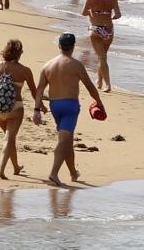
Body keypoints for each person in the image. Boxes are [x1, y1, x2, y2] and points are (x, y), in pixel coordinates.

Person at [34, 32, 106, 187]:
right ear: (73, 47)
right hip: (70, 106)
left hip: (55, 106)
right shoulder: (76, 65)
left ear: (59, 46)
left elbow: (39, 89)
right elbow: (90, 86)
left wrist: (37, 109)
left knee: (67, 139)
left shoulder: (48, 65)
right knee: (64, 141)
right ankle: (53, 174)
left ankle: (73, 172)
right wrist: (98, 101)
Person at [0, 39, 39, 180]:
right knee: (9, 138)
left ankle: (16, 167)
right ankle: (1, 170)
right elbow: (34, 92)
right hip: (15, 107)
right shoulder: (25, 70)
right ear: (19, 53)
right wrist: (39, 106)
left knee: (10, 138)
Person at [82, 0, 121, 92]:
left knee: (101, 57)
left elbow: (83, 12)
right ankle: (99, 81)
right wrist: (109, 16)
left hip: (96, 28)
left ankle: (108, 84)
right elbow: (118, 14)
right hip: (109, 30)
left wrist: (92, 13)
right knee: (102, 57)